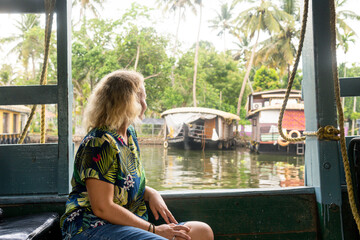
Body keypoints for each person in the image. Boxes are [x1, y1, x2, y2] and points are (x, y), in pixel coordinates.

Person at [60, 70, 214, 240]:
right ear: (126, 102)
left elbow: (122, 185)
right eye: (141, 98)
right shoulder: (99, 142)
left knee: (202, 232)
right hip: (92, 227)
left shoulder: (129, 135)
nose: (145, 104)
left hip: (127, 226)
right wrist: (155, 230)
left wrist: (150, 193)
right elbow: (102, 207)